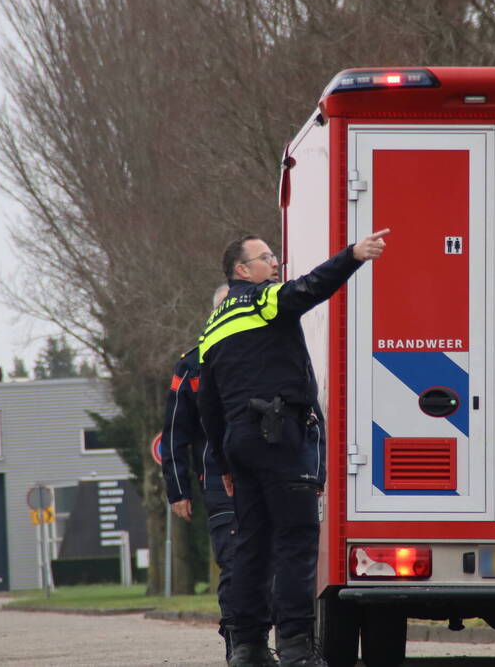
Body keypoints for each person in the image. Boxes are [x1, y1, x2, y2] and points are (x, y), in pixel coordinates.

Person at [197, 230, 389, 667]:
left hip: (239, 443)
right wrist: (353, 255)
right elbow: (310, 288)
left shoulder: (213, 324)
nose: (276, 263)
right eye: (266, 258)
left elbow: (207, 404)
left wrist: (223, 461)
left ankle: (245, 648)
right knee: (295, 543)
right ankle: (297, 648)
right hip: (280, 435)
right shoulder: (262, 299)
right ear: (242, 271)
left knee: (250, 546)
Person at [161, 284, 236, 661]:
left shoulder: (272, 356)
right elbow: (175, 433)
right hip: (219, 484)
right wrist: (178, 490)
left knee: (280, 563)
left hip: (273, 478)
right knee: (236, 563)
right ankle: (241, 645)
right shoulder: (191, 365)